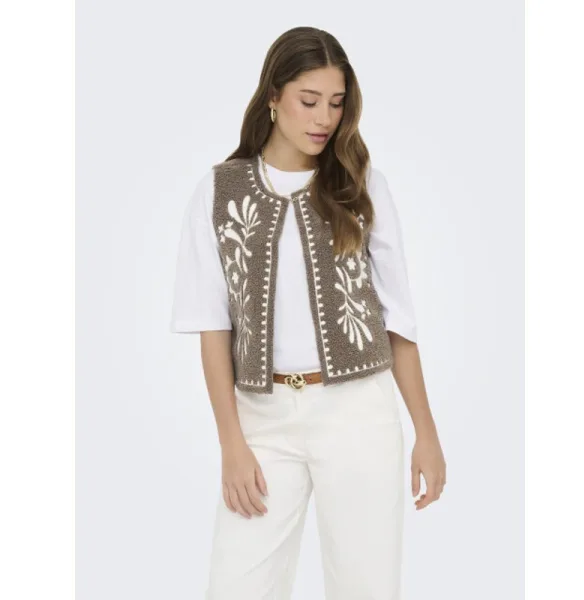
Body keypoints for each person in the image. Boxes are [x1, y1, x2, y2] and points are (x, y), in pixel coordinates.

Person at [170, 25, 446, 600]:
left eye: (337, 103)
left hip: (358, 413)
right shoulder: (219, 192)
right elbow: (212, 326)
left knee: (367, 587)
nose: (324, 118)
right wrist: (231, 443)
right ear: (273, 96)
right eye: (309, 100)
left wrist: (426, 432)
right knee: (236, 585)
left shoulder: (363, 187)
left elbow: (398, 323)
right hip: (261, 418)